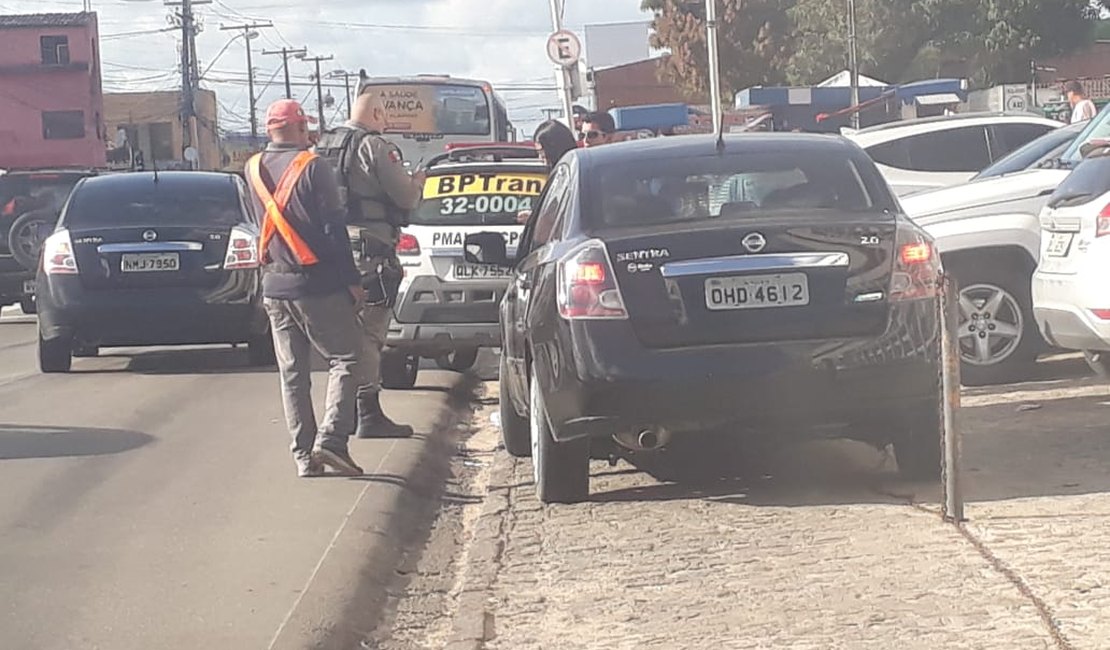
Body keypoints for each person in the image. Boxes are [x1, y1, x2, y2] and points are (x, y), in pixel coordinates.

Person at [245, 99, 369, 478]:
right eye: (306, 127)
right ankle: (331, 441)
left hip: (274, 285)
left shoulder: (251, 168)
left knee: (293, 373)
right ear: (298, 128)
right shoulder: (313, 167)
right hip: (316, 284)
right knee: (347, 357)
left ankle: (304, 457)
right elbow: (334, 229)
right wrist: (352, 282)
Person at [315, 92, 423, 439]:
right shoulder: (376, 147)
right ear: (376, 113)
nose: (387, 122)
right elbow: (404, 197)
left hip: (329, 248)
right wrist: (416, 183)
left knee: (344, 334)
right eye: (384, 115)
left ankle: (349, 414)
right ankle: (367, 413)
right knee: (370, 333)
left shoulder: (323, 145)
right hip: (369, 247)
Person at [517, 120, 577, 224]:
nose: (540, 158)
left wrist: (537, 219)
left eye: (541, 152)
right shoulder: (559, 176)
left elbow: (567, 215)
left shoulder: (574, 176)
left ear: (552, 149)